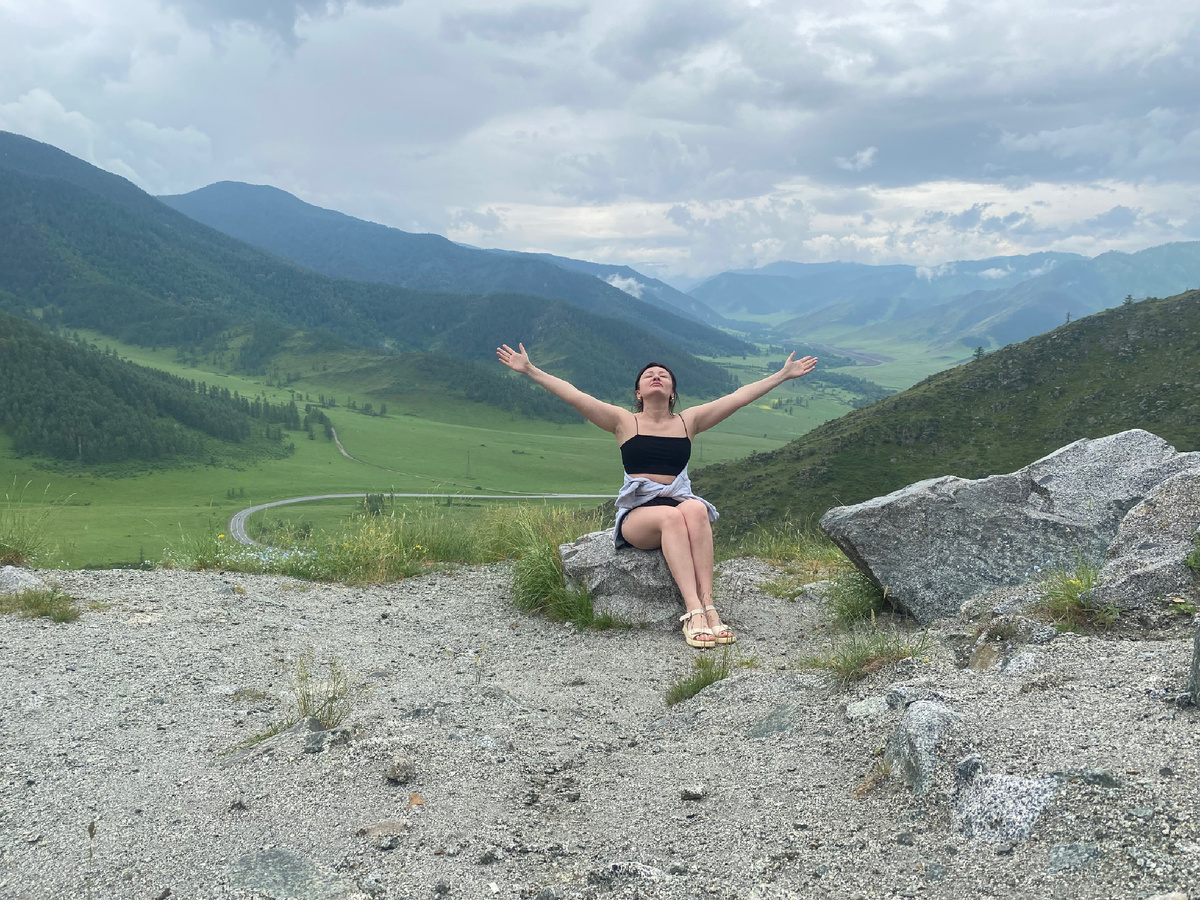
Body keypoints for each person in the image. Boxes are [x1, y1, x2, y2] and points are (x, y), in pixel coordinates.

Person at [495, 343, 818, 649]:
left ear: (672, 391)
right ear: (638, 392)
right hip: (639, 516)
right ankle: (693, 611)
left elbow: (737, 398)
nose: (656, 376)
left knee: (695, 509)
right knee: (672, 515)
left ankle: (710, 607)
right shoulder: (623, 422)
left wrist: (782, 375)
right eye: (648, 375)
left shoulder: (689, 421)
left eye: (663, 375)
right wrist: (530, 370)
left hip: (678, 503)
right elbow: (576, 396)